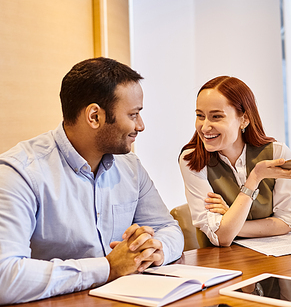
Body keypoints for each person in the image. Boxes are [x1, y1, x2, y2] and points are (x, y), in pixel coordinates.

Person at [0, 57, 184, 304]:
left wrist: (153, 249)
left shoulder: (130, 167)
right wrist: (107, 267)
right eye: (133, 114)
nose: (141, 126)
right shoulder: (20, 172)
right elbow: (5, 277)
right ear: (95, 116)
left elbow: (168, 228)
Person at [179, 76, 291, 247]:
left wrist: (231, 218)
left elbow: (286, 223)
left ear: (244, 119)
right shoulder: (192, 160)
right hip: (223, 263)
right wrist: (255, 177)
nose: (205, 127)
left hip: (275, 256)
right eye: (200, 116)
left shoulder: (277, 153)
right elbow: (222, 237)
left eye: (216, 117)